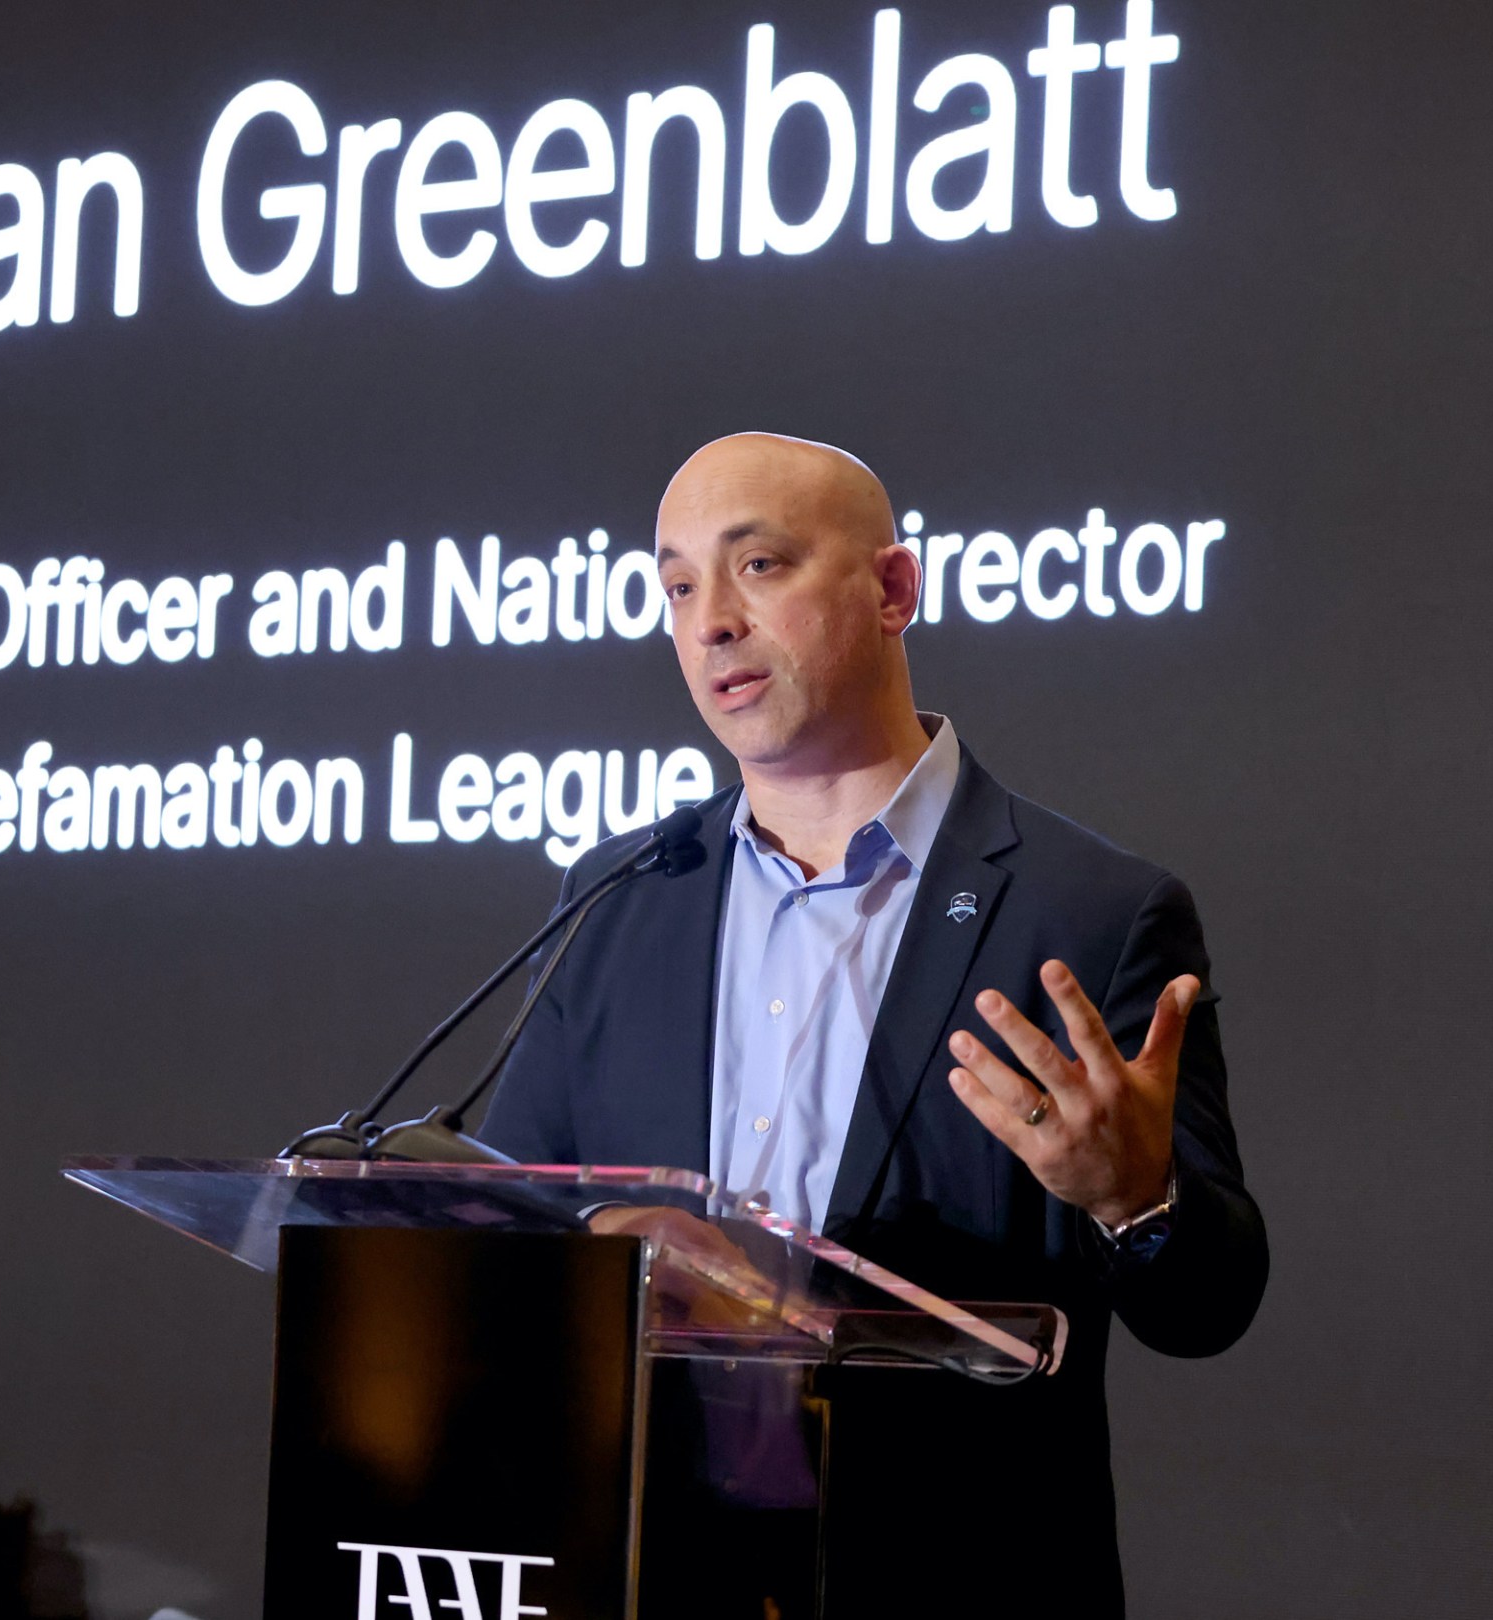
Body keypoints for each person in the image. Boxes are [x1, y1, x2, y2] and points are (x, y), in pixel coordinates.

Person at [480, 433, 1269, 1614]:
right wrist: (604, 1232)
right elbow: (508, 1213)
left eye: (759, 567)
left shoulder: (1090, 911)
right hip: (646, 1563)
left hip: (946, 1569)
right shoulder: (620, 891)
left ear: (893, 590)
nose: (711, 623)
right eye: (679, 585)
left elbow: (1208, 1305)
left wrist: (1134, 1199)